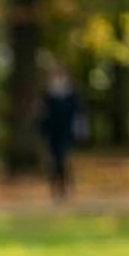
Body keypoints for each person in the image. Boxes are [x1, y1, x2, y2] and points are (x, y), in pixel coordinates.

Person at [40, 64, 80, 199]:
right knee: (54, 160)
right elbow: (43, 115)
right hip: (53, 132)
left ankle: (65, 184)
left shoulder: (71, 94)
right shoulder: (48, 95)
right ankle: (57, 186)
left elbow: (77, 113)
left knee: (62, 158)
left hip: (66, 132)